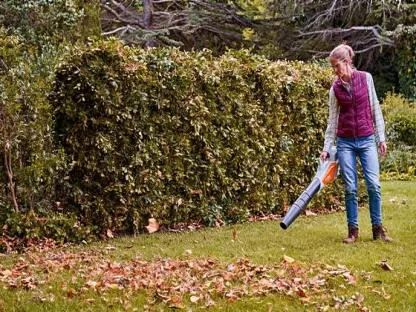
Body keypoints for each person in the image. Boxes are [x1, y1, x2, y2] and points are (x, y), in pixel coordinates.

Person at [320, 43, 393, 244]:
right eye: (333, 67)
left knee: (374, 185)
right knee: (350, 187)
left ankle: (378, 229)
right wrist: (327, 148)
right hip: (345, 143)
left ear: (347, 62)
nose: (334, 70)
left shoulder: (366, 78)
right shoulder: (334, 89)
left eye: (336, 65)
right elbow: (332, 121)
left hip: (367, 139)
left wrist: (381, 138)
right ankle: (353, 231)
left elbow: (375, 108)